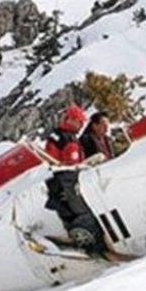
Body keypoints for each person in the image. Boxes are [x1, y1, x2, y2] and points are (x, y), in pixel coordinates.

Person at [44, 105, 108, 257]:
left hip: (58, 184)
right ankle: (95, 249)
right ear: (71, 120)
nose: (81, 126)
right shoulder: (68, 139)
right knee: (84, 216)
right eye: (79, 122)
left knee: (72, 217)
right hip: (67, 184)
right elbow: (71, 164)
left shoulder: (58, 135)